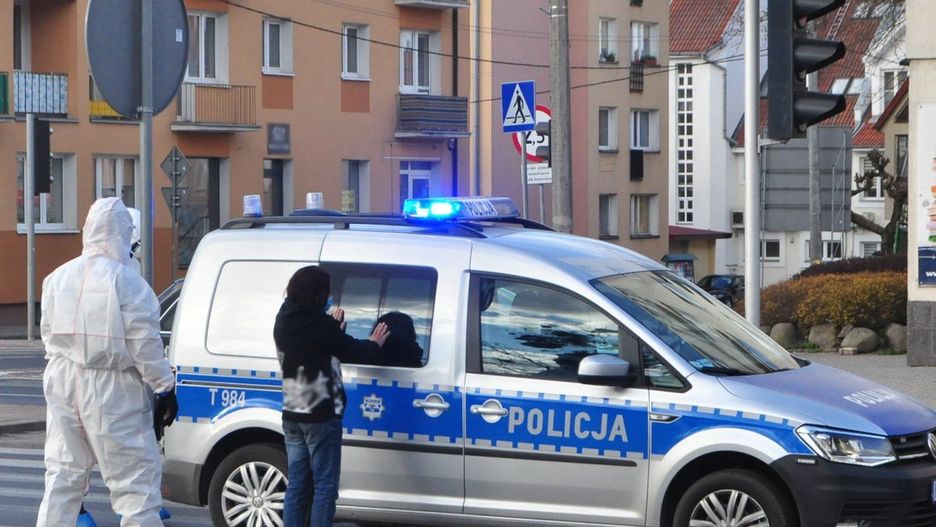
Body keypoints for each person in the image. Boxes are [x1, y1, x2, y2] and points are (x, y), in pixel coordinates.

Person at [37, 197, 178, 527]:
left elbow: (47, 334)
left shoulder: (56, 278)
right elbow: (144, 346)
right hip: (113, 389)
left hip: (62, 378)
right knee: (135, 484)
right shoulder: (128, 283)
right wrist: (165, 387)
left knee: (62, 476)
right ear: (123, 234)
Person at [274, 266, 390, 527]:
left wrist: (333, 327)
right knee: (325, 486)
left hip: (292, 413)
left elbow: (311, 348)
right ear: (316, 294)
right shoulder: (321, 325)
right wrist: (374, 342)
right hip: (321, 415)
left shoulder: (283, 319)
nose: (330, 297)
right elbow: (352, 350)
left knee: (297, 485)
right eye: (327, 292)